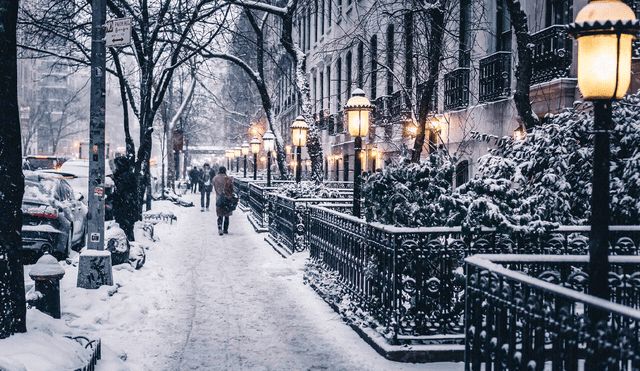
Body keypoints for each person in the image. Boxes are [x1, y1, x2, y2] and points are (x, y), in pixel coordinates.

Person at [111, 156, 137, 241]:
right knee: (127, 230)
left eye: (116, 165)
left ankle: (129, 247)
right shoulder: (126, 175)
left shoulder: (125, 177)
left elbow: (120, 192)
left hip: (124, 209)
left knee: (126, 231)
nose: (115, 168)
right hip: (127, 209)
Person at [213, 166, 233, 235]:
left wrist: (219, 192)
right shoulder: (229, 179)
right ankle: (225, 229)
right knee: (226, 215)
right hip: (227, 199)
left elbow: (214, 186)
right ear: (225, 171)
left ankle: (219, 227)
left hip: (219, 198)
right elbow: (231, 189)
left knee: (220, 214)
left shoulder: (215, 178)